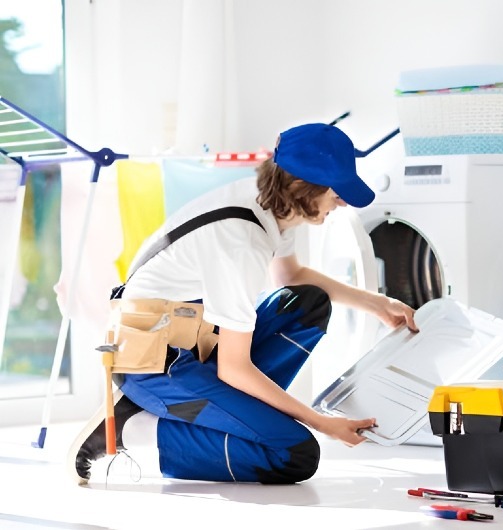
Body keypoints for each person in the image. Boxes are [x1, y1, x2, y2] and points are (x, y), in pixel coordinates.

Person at [67, 123, 418, 485]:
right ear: (303, 189)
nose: (341, 202)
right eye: (336, 192)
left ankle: (232, 415)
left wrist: (375, 302)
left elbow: (291, 276)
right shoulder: (241, 241)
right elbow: (234, 369)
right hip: (154, 364)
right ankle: (134, 428)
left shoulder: (272, 204)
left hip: (194, 341)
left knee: (307, 303)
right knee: (295, 454)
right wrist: (321, 422)